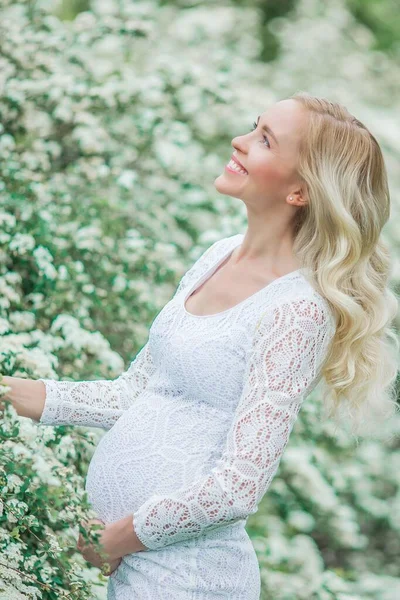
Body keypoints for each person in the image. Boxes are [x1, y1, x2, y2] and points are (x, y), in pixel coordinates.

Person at [3, 92, 399, 599]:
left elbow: (238, 487)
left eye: (264, 140)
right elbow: (136, 394)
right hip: (138, 571)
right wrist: (20, 394)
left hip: (188, 579)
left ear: (299, 191)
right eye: (254, 126)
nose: (239, 140)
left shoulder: (297, 311)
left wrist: (116, 538)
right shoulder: (219, 254)